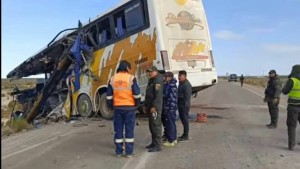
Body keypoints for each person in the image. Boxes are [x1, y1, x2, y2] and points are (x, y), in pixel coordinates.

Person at [106, 60, 141, 158]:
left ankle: (118, 152)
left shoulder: (112, 79)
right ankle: (129, 153)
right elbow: (137, 94)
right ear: (126, 68)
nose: (130, 70)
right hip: (129, 108)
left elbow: (109, 96)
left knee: (118, 130)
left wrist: (111, 106)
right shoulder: (131, 78)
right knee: (129, 130)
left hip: (117, 108)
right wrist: (136, 104)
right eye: (129, 68)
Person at [144, 66, 164, 152]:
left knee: (156, 126)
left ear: (155, 71)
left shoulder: (158, 81)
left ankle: (157, 145)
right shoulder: (152, 80)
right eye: (149, 72)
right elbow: (148, 95)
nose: (149, 73)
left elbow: (158, 95)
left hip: (155, 108)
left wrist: (154, 106)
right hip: (150, 106)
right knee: (152, 126)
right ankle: (153, 143)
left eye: (151, 72)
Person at [282, 64, 300, 151]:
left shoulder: (292, 80)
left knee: (292, 126)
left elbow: (285, 91)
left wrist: (283, 87)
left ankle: (291, 145)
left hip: (293, 106)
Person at [162, 72, 178, 147]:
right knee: (172, 123)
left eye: (166, 77)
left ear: (170, 77)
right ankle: (174, 138)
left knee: (170, 123)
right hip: (173, 107)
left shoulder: (170, 85)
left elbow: (166, 95)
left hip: (170, 107)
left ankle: (171, 140)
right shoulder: (172, 84)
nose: (165, 78)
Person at [177, 70, 192, 142]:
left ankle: (186, 135)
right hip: (180, 104)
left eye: (181, 76)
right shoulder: (181, 83)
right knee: (183, 119)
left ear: (185, 76)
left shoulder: (186, 85)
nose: (179, 77)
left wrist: (186, 107)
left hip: (184, 105)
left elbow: (187, 97)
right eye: (179, 76)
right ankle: (184, 134)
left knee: (185, 120)